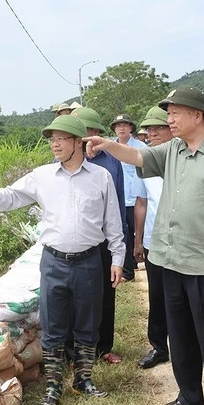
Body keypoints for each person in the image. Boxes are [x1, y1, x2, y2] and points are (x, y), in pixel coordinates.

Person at [85, 86, 204, 405]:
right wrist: (106, 144)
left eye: (175, 113)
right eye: (168, 113)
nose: (168, 119)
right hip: (168, 258)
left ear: (197, 115)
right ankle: (189, 396)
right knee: (180, 335)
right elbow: (138, 158)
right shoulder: (171, 150)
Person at [0, 115, 125, 405]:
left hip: (89, 262)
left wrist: (118, 257)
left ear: (77, 142)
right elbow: (11, 196)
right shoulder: (42, 176)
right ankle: (53, 386)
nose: (54, 144)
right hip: (54, 262)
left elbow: (113, 222)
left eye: (60, 139)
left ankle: (83, 379)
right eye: (51, 139)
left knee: (88, 323)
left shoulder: (100, 177)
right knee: (53, 323)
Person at [71, 107, 127, 365]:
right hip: (77, 238)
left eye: (87, 132)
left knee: (106, 293)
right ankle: (75, 349)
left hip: (105, 239)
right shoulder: (63, 161)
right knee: (76, 295)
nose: (83, 138)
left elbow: (118, 202)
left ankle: (103, 346)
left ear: (96, 133)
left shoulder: (111, 161)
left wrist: (121, 246)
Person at [133, 106, 174, 369]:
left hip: (183, 242)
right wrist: (138, 241)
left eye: (158, 128)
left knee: (185, 298)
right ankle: (159, 346)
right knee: (157, 298)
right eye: (149, 129)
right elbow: (141, 203)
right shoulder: (146, 162)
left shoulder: (185, 157)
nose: (152, 134)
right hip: (153, 242)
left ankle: (190, 346)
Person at [112, 113, 143, 283]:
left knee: (137, 232)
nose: (121, 128)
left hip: (137, 198)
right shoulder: (110, 148)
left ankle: (138, 261)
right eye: (118, 126)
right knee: (123, 234)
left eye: (125, 125)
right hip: (118, 199)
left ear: (131, 128)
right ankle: (128, 271)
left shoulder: (140, 148)